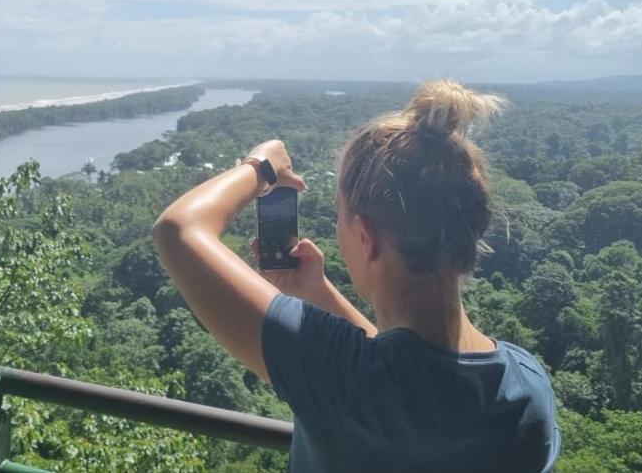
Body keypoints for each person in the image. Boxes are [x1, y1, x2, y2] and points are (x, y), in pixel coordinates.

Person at [152, 80, 560, 472]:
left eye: (339, 215)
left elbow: (177, 230)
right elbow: (409, 368)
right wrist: (318, 291)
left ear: (366, 237)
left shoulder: (340, 377)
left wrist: (261, 167)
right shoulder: (527, 386)